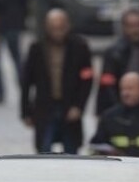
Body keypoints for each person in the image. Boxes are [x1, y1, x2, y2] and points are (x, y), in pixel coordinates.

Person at [21, 8, 94, 153]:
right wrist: (26, 111)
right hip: (45, 107)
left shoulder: (79, 47)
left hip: (70, 105)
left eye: (61, 27)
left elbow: (87, 79)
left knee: (71, 150)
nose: (57, 32)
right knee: (44, 149)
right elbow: (26, 81)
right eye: (53, 28)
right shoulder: (37, 48)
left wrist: (79, 106)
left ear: (67, 26)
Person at [96, 8, 139, 117]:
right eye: (131, 26)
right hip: (117, 109)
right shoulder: (113, 53)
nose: (135, 30)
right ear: (124, 28)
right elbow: (106, 85)